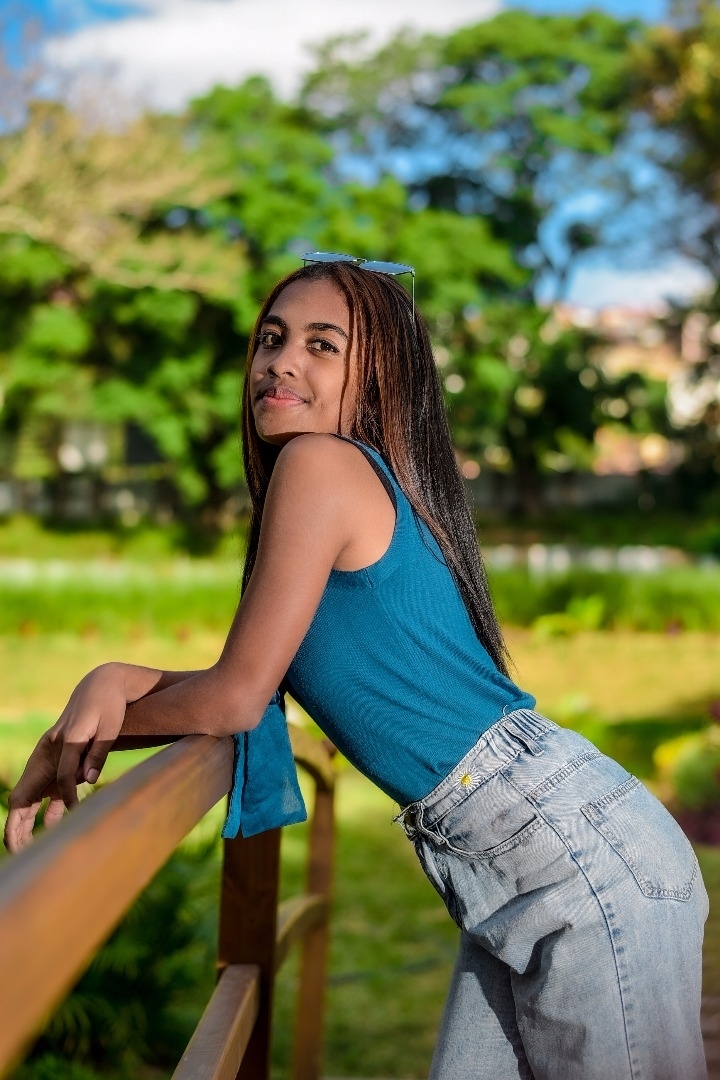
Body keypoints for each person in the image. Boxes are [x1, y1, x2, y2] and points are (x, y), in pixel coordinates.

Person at [4, 256, 709, 1080]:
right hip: (531, 854)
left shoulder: (322, 466)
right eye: (272, 339)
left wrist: (70, 741)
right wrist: (123, 680)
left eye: (321, 345)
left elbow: (235, 700)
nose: (280, 362)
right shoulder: (349, 478)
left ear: (377, 379)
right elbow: (248, 678)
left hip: (572, 861)